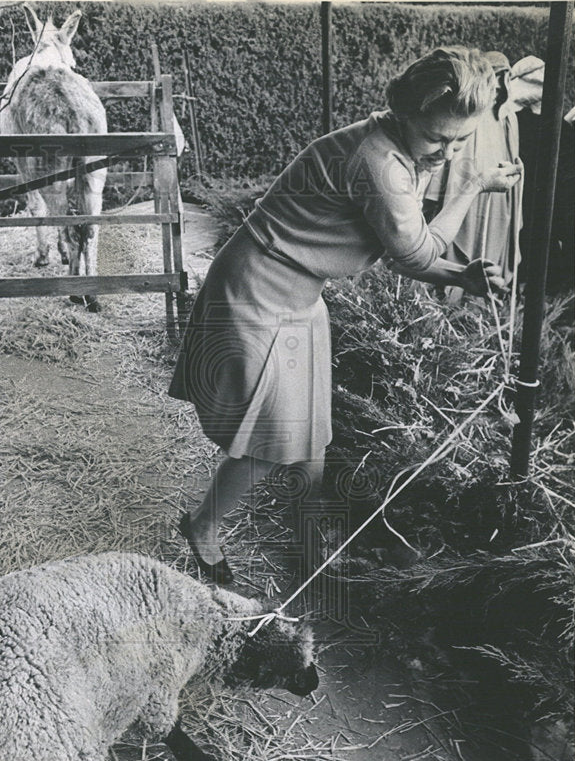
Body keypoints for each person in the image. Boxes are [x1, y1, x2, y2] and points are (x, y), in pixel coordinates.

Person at [169, 47, 522, 584]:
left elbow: (416, 242)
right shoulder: (377, 162)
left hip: (298, 293)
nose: (447, 154)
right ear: (403, 111)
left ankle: (310, 543)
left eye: (460, 141)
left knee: (310, 438)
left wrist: (461, 269)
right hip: (260, 290)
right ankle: (203, 528)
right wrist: (471, 202)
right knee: (269, 443)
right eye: (437, 138)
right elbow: (417, 255)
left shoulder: (397, 144)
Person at [423, 51, 522, 302]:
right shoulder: (468, 114)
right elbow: (445, 159)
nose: (499, 86)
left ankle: (479, 303)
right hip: (461, 194)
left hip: (496, 201)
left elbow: (513, 153)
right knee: (453, 247)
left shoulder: (507, 117)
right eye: (495, 78)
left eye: (504, 79)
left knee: (490, 253)